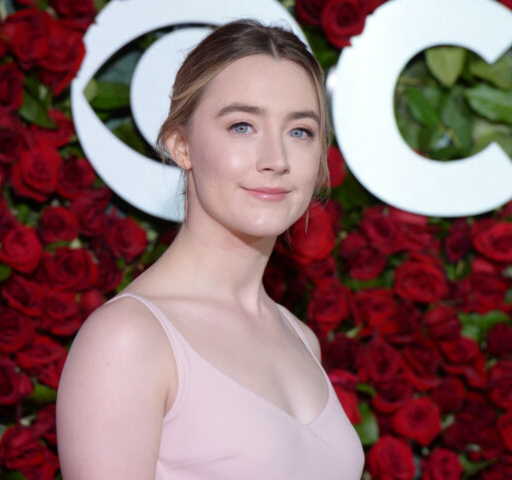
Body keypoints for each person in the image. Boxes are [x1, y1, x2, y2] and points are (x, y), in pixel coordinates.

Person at [56, 19, 364, 480]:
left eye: (300, 131)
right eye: (242, 126)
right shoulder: (128, 340)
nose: (276, 159)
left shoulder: (301, 338)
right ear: (182, 146)